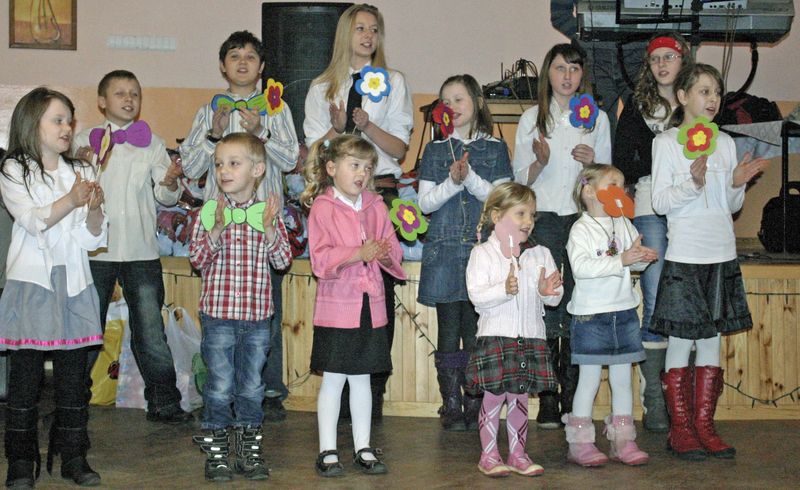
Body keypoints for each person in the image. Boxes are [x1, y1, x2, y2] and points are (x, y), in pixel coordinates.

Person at [179, 30, 300, 421]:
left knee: (265, 309)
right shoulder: (207, 111)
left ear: (262, 67)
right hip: (219, 223)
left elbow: (291, 158)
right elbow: (191, 167)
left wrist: (260, 131)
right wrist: (213, 134)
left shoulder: (276, 108)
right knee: (220, 313)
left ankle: (265, 390)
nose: (243, 62)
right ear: (223, 66)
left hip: (263, 221)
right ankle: (219, 393)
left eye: (250, 56)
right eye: (234, 56)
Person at [651, 63, 767, 461]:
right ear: (683, 96)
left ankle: (705, 426)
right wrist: (692, 183)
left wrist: (736, 184)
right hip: (686, 255)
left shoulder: (726, 143)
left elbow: (729, 206)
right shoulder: (666, 143)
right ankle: (681, 429)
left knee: (712, 341)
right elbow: (660, 202)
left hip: (721, 253)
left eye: (716, 92)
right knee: (682, 341)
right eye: (704, 91)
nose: (713, 99)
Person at [303, 3, 413, 419]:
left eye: (374, 29)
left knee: (379, 292)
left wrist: (367, 126)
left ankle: (372, 392)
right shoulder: (321, 87)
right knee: (342, 287)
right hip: (336, 200)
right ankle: (340, 386)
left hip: (377, 193)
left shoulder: (393, 81)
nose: (368, 36)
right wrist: (336, 129)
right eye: (361, 28)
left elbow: (399, 148)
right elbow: (313, 153)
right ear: (345, 34)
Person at [0, 87, 107, 487]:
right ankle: (20, 462)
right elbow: (31, 220)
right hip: (32, 284)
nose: (67, 128)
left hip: (74, 283)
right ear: (33, 124)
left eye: (69, 120)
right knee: (25, 381)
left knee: (74, 381)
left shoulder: (82, 171)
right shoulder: (14, 169)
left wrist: (93, 209)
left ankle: (74, 456)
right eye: (57, 120)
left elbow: (92, 239)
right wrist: (72, 199)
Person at [73, 70, 192, 424]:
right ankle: (72, 400)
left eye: (134, 94)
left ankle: (164, 402)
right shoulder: (84, 140)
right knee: (86, 326)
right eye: (120, 93)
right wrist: (83, 163)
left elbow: (165, 195)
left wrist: (170, 181)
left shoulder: (152, 143)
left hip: (141, 250)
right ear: (101, 101)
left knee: (150, 329)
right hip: (97, 250)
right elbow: (75, 191)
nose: (128, 99)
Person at [512, 43, 611, 429]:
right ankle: (548, 396)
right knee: (547, 302)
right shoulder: (532, 118)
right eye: (559, 68)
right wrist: (540, 162)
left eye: (574, 68)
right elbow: (519, 180)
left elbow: (608, 180)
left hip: (583, 220)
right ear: (547, 74)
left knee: (578, 303)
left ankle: (571, 394)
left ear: (582, 74)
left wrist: (594, 163)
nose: (567, 76)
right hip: (546, 218)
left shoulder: (596, 118)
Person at [189, 133, 292, 482]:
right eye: (219, 164)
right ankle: (217, 454)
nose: (224, 170)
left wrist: (270, 230)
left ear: (258, 170)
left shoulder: (268, 214)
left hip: (257, 318)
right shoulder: (209, 212)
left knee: (251, 388)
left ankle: (249, 453)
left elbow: (282, 261)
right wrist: (216, 230)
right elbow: (197, 260)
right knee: (219, 386)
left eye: (234, 163)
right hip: (218, 317)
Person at [301, 135, 406, 477]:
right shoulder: (323, 208)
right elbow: (320, 260)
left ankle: (363, 447)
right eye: (355, 165)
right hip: (337, 309)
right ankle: (327, 450)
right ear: (332, 168)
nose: (362, 173)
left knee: (362, 379)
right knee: (333, 379)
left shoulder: (377, 205)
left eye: (368, 167)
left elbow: (394, 253)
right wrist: (357, 254)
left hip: (369, 308)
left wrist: (384, 255)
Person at [417, 74, 512, 431]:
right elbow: (425, 203)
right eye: (446, 101)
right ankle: (451, 403)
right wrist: (452, 182)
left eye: (460, 99)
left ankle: (475, 400)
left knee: (475, 328)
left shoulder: (495, 148)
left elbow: (502, 200)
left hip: (481, 250)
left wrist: (469, 178)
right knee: (448, 327)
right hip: (444, 249)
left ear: (477, 102)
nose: (452, 106)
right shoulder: (435, 149)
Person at [614, 33, 692, 432]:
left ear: (683, 62)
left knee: (686, 297)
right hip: (648, 201)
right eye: (655, 58)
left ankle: (681, 395)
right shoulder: (636, 105)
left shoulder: (694, 101)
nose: (662, 64)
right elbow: (622, 159)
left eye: (669, 57)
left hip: (690, 208)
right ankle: (654, 399)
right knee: (656, 293)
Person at [465, 182, 563, 477]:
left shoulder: (541, 253)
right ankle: (489, 455)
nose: (528, 221)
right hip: (496, 336)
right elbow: (476, 295)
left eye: (532, 215)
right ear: (497, 216)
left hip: (530, 337)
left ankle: (518, 454)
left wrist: (547, 292)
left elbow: (554, 296)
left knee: (519, 399)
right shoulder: (483, 253)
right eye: (520, 213)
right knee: (494, 398)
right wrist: (503, 289)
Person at [563, 164, 657, 467]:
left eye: (622, 183)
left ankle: (623, 440)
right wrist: (622, 260)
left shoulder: (623, 223)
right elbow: (581, 269)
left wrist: (642, 258)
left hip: (624, 312)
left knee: (622, 380)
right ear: (589, 191)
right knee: (588, 380)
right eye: (612, 183)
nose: (621, 189)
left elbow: (631, 264)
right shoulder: (581, 229)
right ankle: (580, 443)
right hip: (591, 317)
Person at [550, 0, 646, 136]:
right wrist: (582, 36)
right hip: (594, 57)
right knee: (598, 128)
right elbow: (559, 14)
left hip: (637, 55)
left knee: (643, 126)